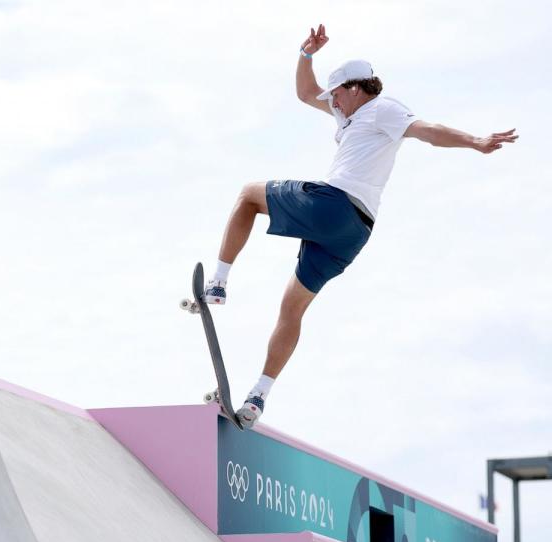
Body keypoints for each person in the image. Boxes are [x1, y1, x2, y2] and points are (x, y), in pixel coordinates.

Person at [207, 24, 517, 429]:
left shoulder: (382, 109)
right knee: (292, 307)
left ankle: (217, 282)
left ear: (356, 88)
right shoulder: (348, 112)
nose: (332, 102)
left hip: (335, 204)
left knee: (249, 194)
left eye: (337, 94)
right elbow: (305, 93)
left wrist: (474, 140)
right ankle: (257, 398)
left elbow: (428, 132)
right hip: (353, 235)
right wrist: (306, 54)